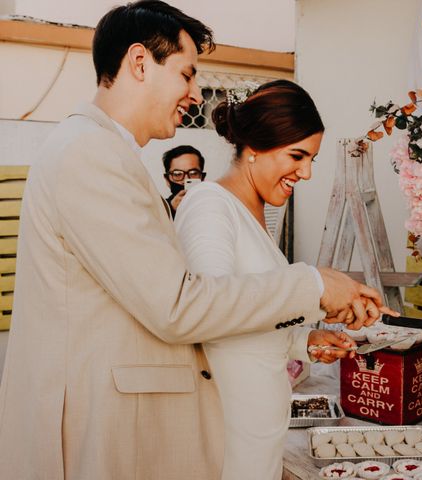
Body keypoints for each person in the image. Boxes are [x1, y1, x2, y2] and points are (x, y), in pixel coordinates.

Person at [0, 2, 395, 479]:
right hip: (96, 423)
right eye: (187, 74)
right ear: (140, 62)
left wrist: (300, 338)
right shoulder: (89, 153)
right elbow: (178, 306)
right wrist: (312, 285)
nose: (193, 93)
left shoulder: (107, 153)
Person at [174, 79, 358, 479]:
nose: (306, 173)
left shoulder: (253, 214)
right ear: (254, 147)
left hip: (259, 433)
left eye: (312, 159)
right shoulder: (209, 206)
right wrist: (314, 284)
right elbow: (208, 309)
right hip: (229, 436)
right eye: (297, 155)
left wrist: (301, 341)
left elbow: (247, 311)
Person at [163, 144, 206, 218]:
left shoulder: (212, 204)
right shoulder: (157, 209)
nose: (186, 179)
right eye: (177, 174)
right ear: (167, 180)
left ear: (202, 177)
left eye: (193, 173)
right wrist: (171, 209)